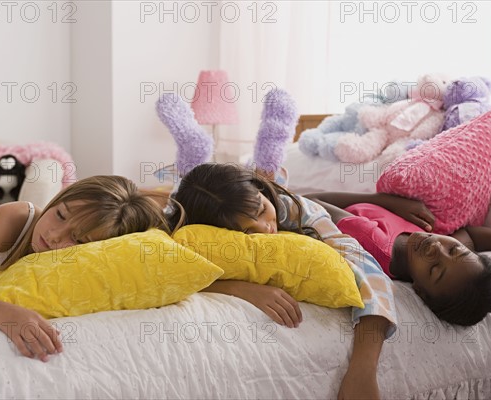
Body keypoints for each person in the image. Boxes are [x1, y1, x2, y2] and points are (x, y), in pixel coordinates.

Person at [156, 90, 398, 400]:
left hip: (287, 193)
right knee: (184, 182)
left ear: (260, 192)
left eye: (260, 211)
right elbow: (163, 263)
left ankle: (257, 159)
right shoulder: (190, 227)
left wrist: (363, 366)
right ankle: (193, 148)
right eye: (245, 233)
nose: (266, 230)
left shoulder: (294, 209)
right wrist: (238, 288)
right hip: (188, 199)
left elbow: (364, 266)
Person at [0, 131, 177, 362]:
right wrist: (6, 314)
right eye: (61, 214)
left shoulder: (88, 260)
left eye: (79, 239)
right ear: (60, 198)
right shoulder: (12, 217)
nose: (54, 235)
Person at [303, 191, 491, 326]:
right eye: (455, 250)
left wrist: (387, 201)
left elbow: (304, 201)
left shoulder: (371, 240)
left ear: (420, 291)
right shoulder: (442, 255)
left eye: (434, 269)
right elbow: (470, 236)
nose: (435, 247)